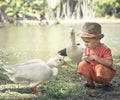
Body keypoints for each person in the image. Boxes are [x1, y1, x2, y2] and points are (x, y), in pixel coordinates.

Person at [77, 22, 116, 91]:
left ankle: (107, 84)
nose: (85, 44)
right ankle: (90, 84)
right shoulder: (87, 48)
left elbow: (109, 63)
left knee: (99, 67)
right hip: (93, 73)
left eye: (88, 42)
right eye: (84, 41)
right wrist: (85, 59)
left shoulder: (105, 49)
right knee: (82, 64)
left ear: (98, 40)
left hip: (105, 74)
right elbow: (84, 58)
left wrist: (95, 57)